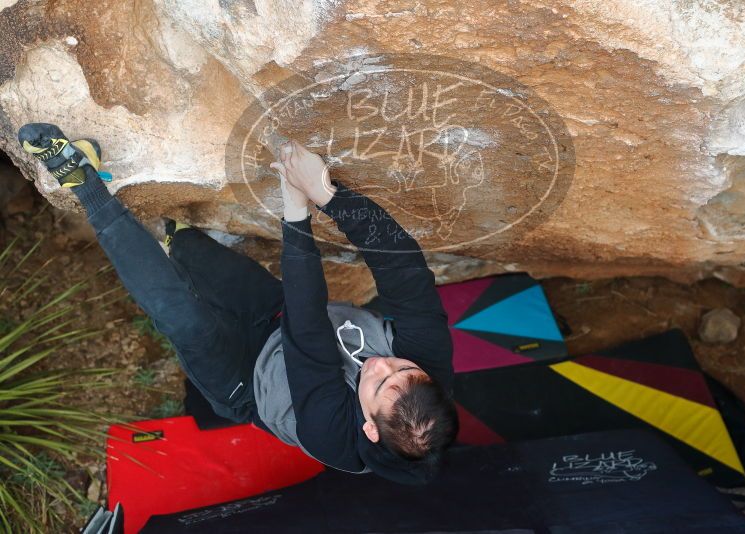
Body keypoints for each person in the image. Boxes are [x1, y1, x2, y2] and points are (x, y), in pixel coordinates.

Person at [18, 123, 458, 484]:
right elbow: (401, 265)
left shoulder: (334, 436)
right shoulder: (427, 371)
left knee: (183, 318)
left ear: (368, 426)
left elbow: (308, 330)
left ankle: (84, 182)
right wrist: (326, 193)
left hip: (247, 381)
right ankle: (169, 235)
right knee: (192, 250)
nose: (383, 365)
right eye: (403, 367)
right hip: (275, 316)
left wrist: (296, 205)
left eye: (379, 384)